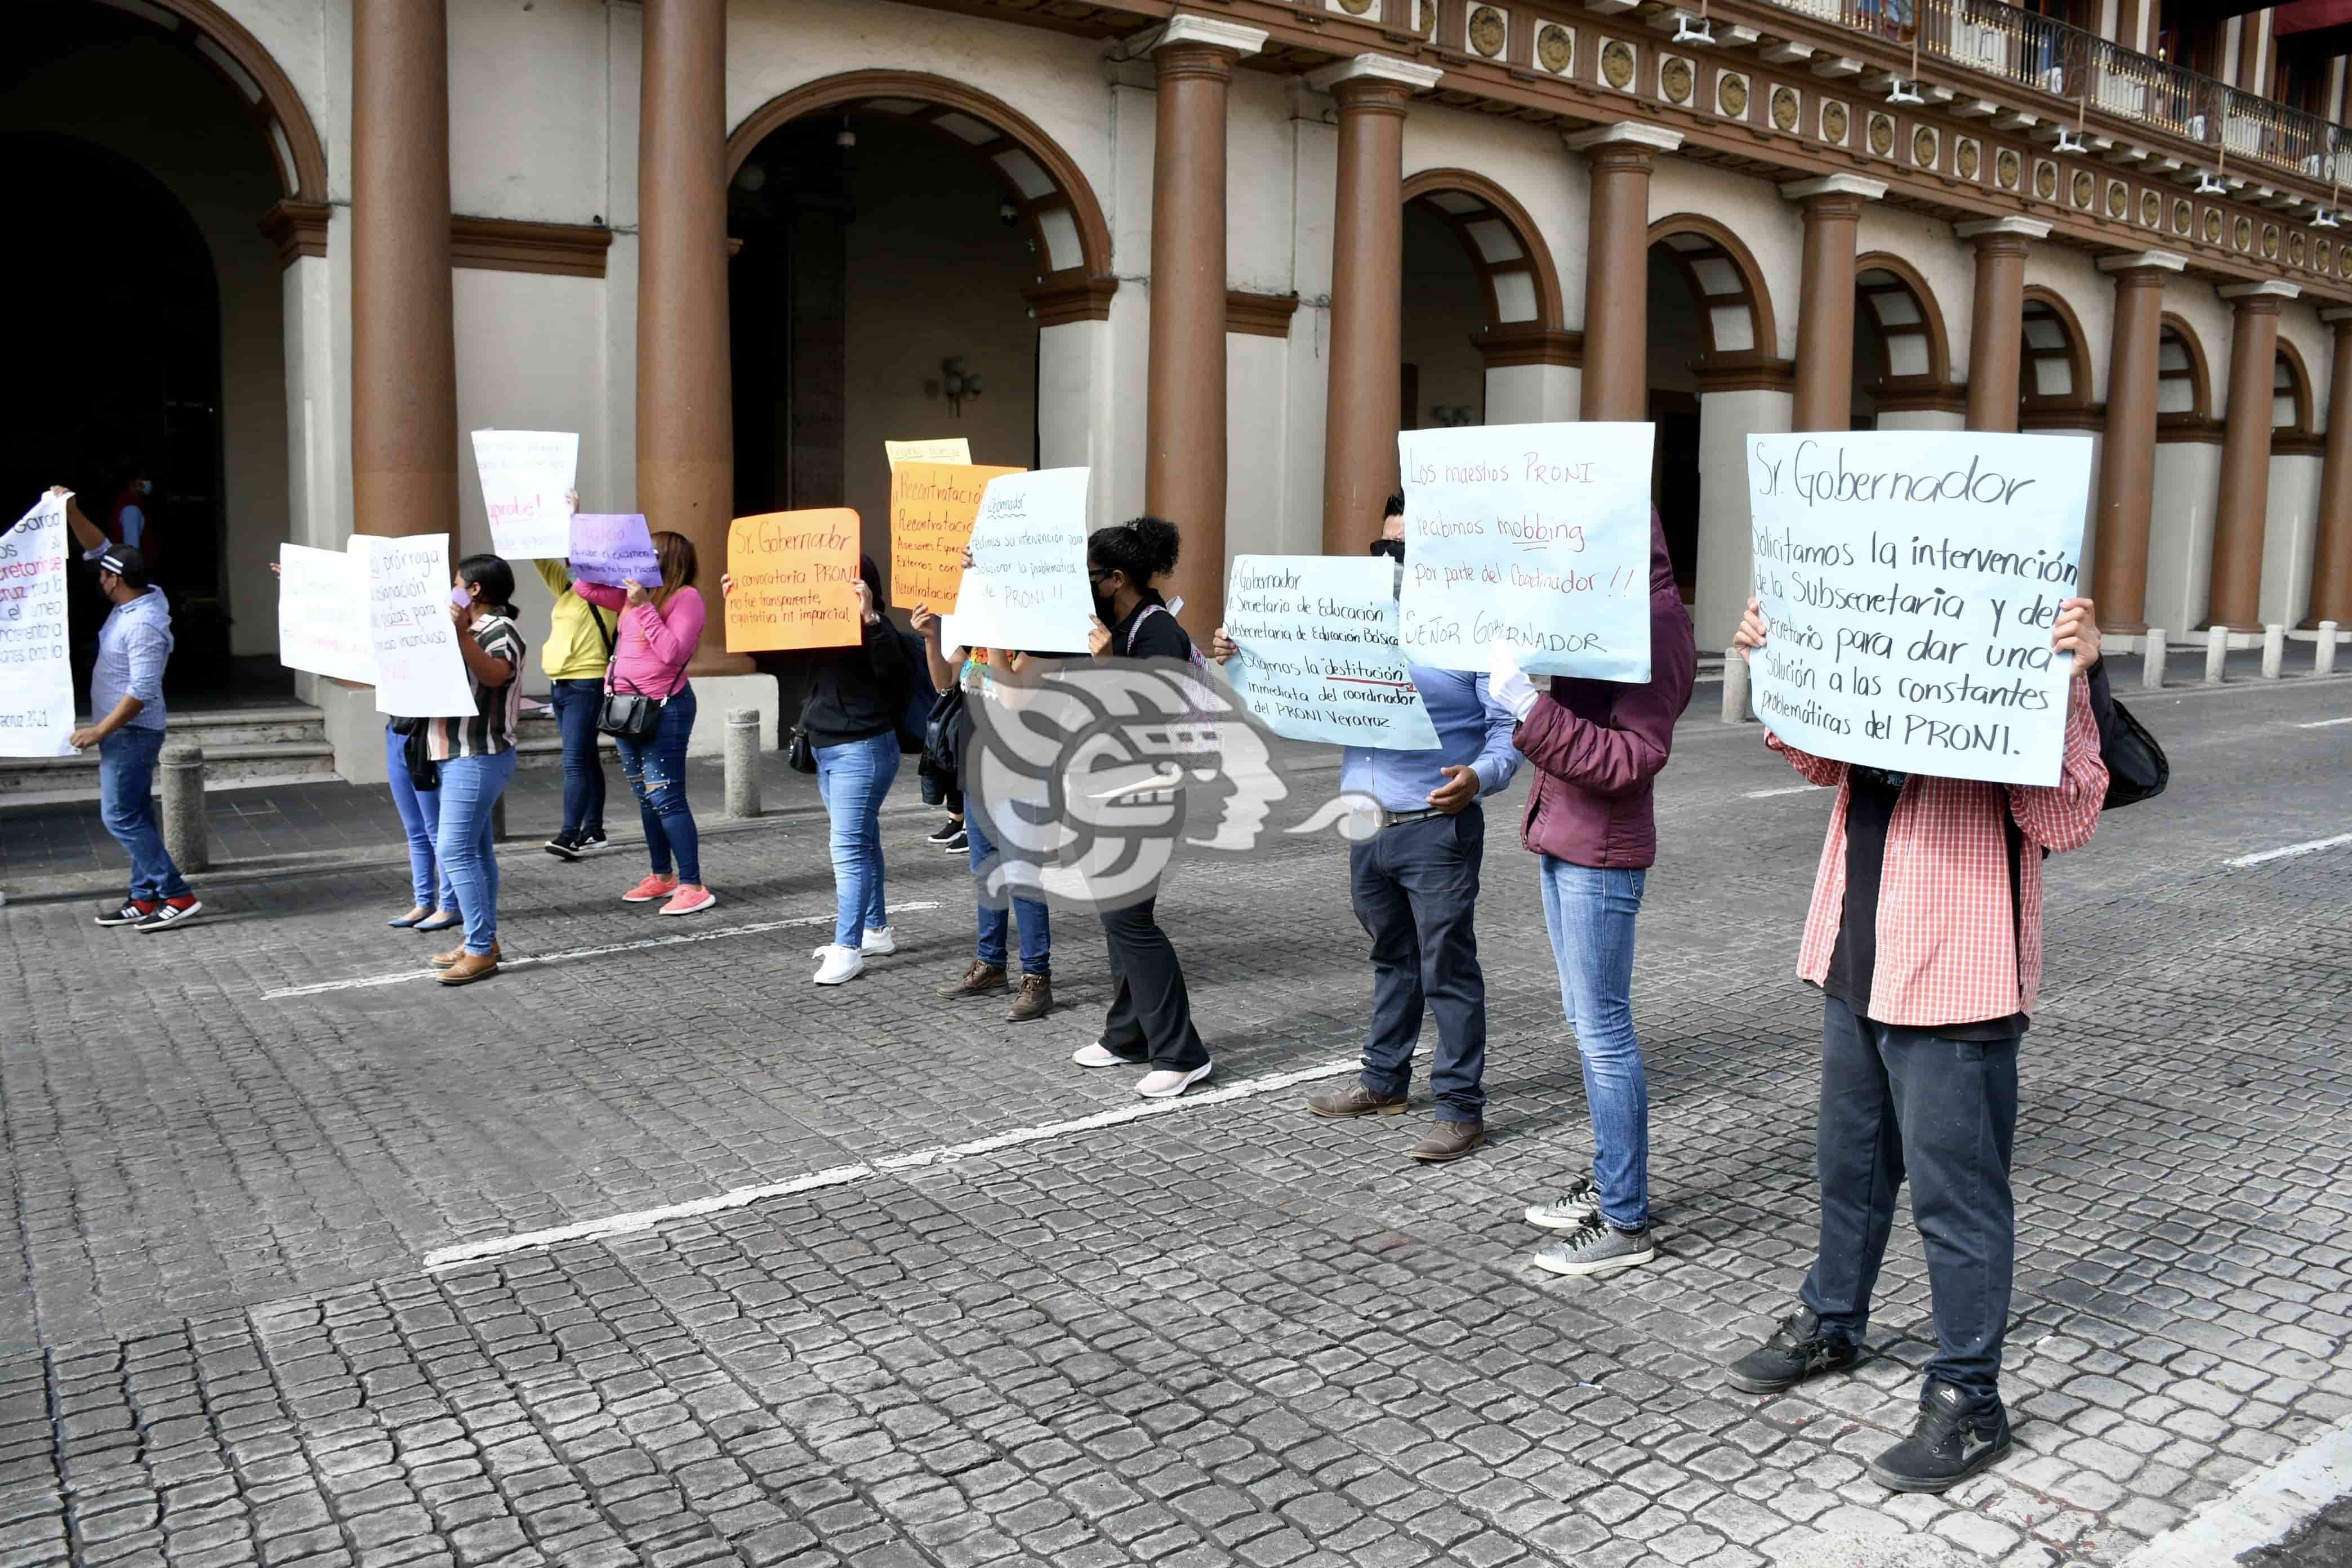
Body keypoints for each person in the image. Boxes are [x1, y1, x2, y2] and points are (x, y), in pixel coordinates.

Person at [1722, 593, 2108, 1494]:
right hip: (1857, 946)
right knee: (1848, 1165)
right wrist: (1780, 665)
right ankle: (1832, 1321)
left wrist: (2069, 680)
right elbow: (1824, 763)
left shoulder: (2035, 646)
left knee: (1956, 1198)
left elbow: (2068, 820)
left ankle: (1969, 1397)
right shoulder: (1875, 620)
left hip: (1959, 967)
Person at [1210, 493, 1521, 1162]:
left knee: (1448, 969)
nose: (1390, 561)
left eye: (1403, 551)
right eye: (1383, 549)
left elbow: (1509, 731)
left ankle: (1462, 1108)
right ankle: (1384, 1083)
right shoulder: (1355, 623)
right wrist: (1240, 659)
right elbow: (1294, 689)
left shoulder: (1481, 629)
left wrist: (1480, 779)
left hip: (1436, 826)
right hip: (1366, 826)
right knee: (1391, 958)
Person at [1492, 506, 1695, 1276]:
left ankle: (1624, 1220)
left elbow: (1633, 757)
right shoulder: (1601, 604)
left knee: (1604, 1032)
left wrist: (1528, 708)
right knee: (1587, 1022)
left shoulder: (1654, 620)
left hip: (1601, 849)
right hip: (1566, 833)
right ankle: (1614, 1177)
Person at [1068, 516, 1215, 1099]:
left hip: (1148, 798)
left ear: (1116, 578)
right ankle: (1127, 1034)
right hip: (1109, 793)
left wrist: (1104, 668)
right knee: (1116, 922)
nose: (1085, 585)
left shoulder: (1156, 632)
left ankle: (1183, 1054)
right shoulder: (1116, 624)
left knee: (1131, 922)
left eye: (1090, 576)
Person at [727, 556, 907, 984]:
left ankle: (848, 947)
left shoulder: (877, 628)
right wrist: (742, 603)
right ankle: (875, 930)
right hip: (831, 748)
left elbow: (895, 676)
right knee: (862, 840)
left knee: (847, 848)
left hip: (861, 749)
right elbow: (775, 648)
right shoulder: (817, 625)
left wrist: (870, 620)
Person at [268, 558, 457, 930]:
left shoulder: (439, 633)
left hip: (426, 736)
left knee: (437, 831)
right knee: (416, 829)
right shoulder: (385, 638)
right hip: (397, 732)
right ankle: (423, 901)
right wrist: (303, 582)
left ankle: (449, 904)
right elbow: (346, 617)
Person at [54, 487, 201, 931]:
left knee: (118, 815)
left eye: (102, 574)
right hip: (123, 732)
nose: (97, 577)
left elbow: (141, 690)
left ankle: (177, 893)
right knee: (135, 813)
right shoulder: (139, 595)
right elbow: (99, 547)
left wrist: (99, 731)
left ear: (114, 581)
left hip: (131, 732)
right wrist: (72, 510)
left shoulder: (144, 624)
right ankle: (143, 898)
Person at [908, 609, 1055, 1023]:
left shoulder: (1038, 643)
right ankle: (991, 964)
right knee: (986, 872)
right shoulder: (974, 638)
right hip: (976, 775)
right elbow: (944, 683)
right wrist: (931, 640)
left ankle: (1037, 977)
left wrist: (995, 636)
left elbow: (1010, 695)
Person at [572, 531, 713, 915]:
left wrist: (645, 608)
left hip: (664, 709)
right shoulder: (632, 597)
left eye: (648, 552)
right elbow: (583, 585)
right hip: (626, 709)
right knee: (646, 797)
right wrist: (589, 539)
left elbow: (673, 653)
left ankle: (693, 885)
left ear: (668, 559)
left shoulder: (686, 598)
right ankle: (662, 877)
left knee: (666, 796)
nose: (641, 558)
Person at [427, 554, 528, 986]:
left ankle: (481, 950)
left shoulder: (499, 630)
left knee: (455, 851)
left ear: (474, 590)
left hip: (479, 754)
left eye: (456, 582)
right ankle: (481, 940)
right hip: (455, 751)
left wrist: (458, 636)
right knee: (476, 853)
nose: (451, 588)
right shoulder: (469, 627)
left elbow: (493, 675)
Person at [536, 492, 617, 860]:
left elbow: (583, 556)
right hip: (560, 683)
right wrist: (528, 518)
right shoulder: (567, 589)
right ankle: (594, 830)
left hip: (587, 683)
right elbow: (537, 554)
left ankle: (570, 834)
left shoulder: (610, 593)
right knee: (584, 758)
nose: (570, 559)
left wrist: (575, 518)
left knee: (573, 760)